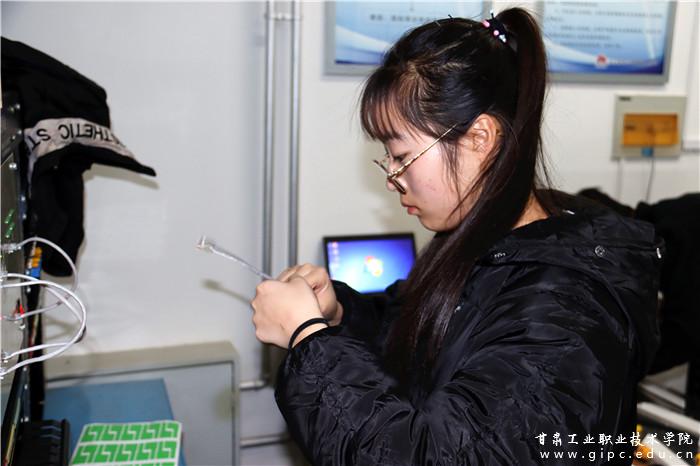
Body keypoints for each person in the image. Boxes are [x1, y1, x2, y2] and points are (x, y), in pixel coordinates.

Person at [251, 8, 661, 465]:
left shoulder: (565, 308)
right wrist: (339, 313)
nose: (392, 177)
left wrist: (308, 340)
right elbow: (417, 337)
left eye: (402, 156)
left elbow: (435, 455)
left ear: (479, 138)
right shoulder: (480, 244)